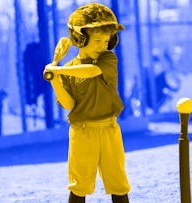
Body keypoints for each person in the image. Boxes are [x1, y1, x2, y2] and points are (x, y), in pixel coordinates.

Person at [44, 3, 130, 203]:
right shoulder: (68, 69)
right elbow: (68, 104)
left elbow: (90, 72)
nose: (103, 45)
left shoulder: (108, 59)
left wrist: (57, 70)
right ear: (79, 38)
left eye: (107, 40)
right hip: (81, 132)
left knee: (117, 180)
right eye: (98, 39)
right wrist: (55, 80)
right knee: (79, 184)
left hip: (109, 129)